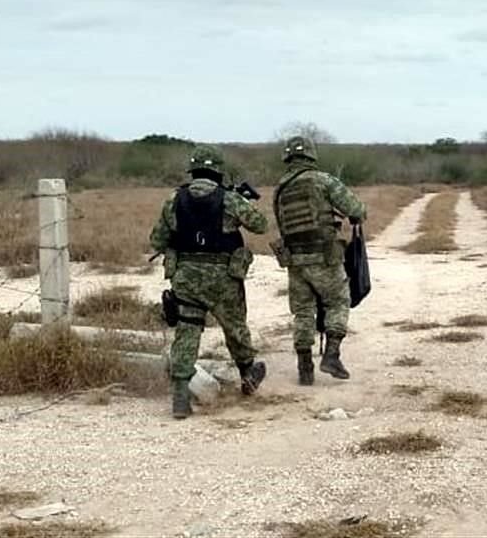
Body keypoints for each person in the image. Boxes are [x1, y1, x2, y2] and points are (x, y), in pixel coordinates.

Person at [150, 144, 268, 419]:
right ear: (218, 171)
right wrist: (242, 202)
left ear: (193, 171)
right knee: (235, 327)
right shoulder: (230, 199)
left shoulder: (174, 200)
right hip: (223, 278)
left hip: (187, 278)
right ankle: (248, 374)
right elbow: (260, 225)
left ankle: (180, 396)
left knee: (187, 333)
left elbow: (156, 240)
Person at [272, 135, 366, 385]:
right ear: (311, 156)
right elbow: (356, 209)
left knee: (303, 312)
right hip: (324, 257)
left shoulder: (281, 189)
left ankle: (305, 369)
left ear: (288, 158)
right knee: (338, 301)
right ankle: (332, 355)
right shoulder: (323, 180)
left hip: (295, 260)